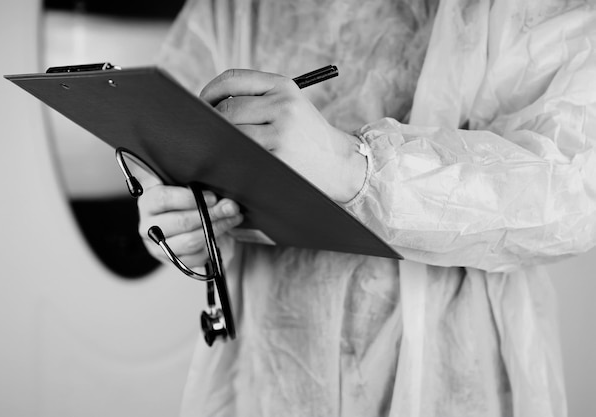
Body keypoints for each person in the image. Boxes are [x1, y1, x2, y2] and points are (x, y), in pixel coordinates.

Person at [136, 0, 596, 416]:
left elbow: (575, 189)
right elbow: (169, 133)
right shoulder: (234, 8)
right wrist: (178, 222)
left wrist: (350, 165)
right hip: (269, 372)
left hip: (454, 376)